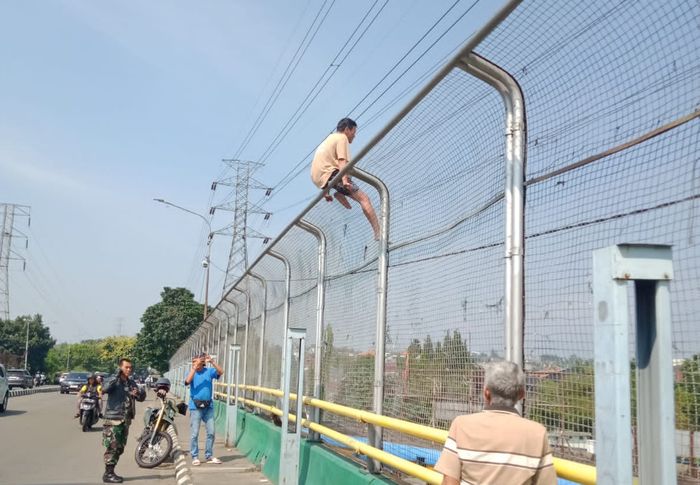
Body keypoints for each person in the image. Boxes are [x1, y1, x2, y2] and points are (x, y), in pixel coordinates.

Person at [436, 361, 557, 485]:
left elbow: (449, 481)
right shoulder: (537, 433)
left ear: (486, 393)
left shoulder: (461, 425)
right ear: (521, 395)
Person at [310, 118, 381, 240]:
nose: (355, 135)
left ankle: (338, 192)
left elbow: (325, 162)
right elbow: (342, 161)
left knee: (342, 168)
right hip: (332, 175)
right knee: (364, 199)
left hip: (319, 178)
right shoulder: (342, 138)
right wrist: (344, 181)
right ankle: (379, 232)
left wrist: (326, 191)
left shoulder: (329, 139)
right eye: (354, 131)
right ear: (347, 129)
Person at [101, 358, 146, 483]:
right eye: (126, 367)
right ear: (120, 367)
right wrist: (116, 375)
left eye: (130, 367)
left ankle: (111, 471)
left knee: (120, 448)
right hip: (113, 419)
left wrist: (138, 393)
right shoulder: (114, 381)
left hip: (125, 420)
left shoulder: (131, 383)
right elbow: (104, 389)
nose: (129, 370)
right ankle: (108, 474)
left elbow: (142, 397)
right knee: (112, 447)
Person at [185, 353, 224, 466]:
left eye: (196, 362)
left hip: (208, 406)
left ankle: (209, 455)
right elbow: (187, 381)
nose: (195, 364)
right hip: (195, 407)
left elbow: (221, 372)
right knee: (194, 433)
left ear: (203, 363)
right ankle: (195, 456)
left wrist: (212, 362)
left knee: (211, 432)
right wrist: (194, 368)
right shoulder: (191, 372)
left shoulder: (209, 371)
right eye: (193, 362)